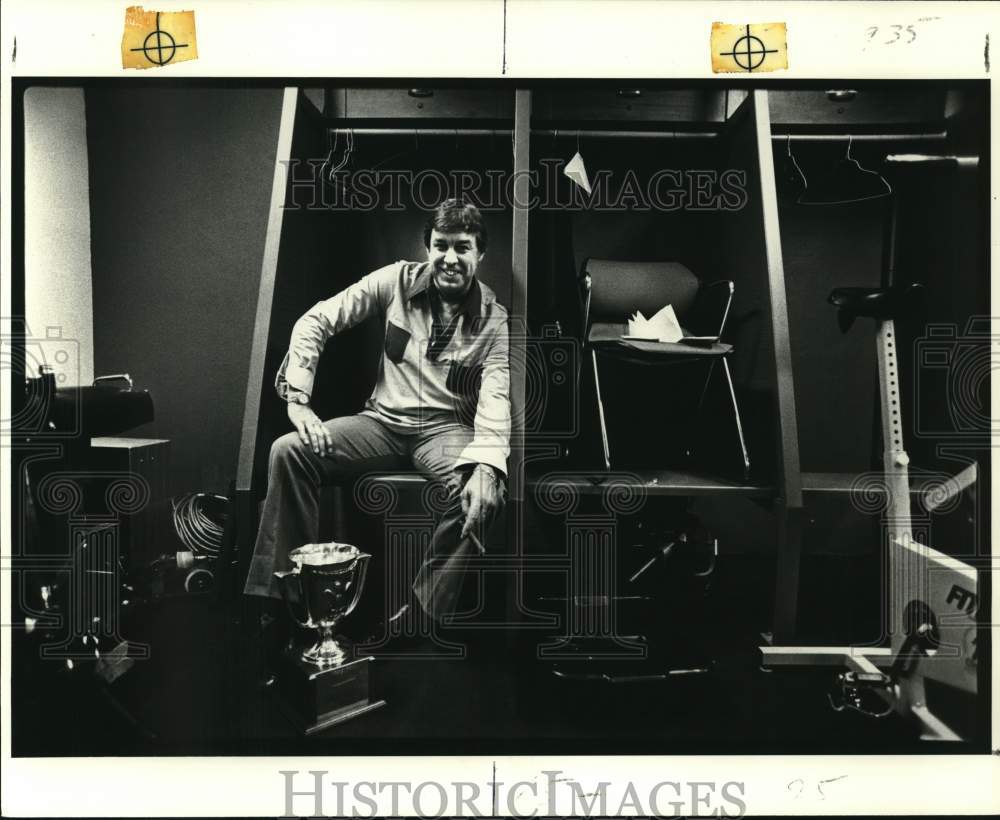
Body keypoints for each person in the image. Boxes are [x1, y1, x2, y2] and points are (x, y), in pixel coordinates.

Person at [243, 199, 509, 628]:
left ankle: (422, 614)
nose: (450, 258)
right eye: (441, 245)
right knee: (287, 452)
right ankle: (286, 599)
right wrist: (298, 401)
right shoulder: (395, 281)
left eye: (463, 247)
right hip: (380, 425)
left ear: (480, 254)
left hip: (444, 433)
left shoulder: (494, 320)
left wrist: (486, 466)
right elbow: (317, 319)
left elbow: (497, 397)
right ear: (427, 248)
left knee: (481, 494)